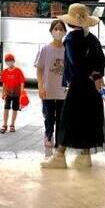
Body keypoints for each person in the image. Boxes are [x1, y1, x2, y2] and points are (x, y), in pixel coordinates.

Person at [42, 4, 105, 169]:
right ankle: (85, 156)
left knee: (67, 120)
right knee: (86, 120)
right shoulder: (92, 38)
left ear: (71, 22)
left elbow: (76, 64)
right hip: (92, 89)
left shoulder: (71, 39)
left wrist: (85, 75)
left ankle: (59, 156)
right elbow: (102, 61)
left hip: (78, 86)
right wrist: (96, 75)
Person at [35, 19, 67, 148]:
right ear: (51, 31)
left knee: (61, 117)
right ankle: (48, 136)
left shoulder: (67, 50)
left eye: (61, 29)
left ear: (65, 32)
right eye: (56, 29)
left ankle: (59, 139)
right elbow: (39, 69)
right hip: (48, 88)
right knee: (49, 116)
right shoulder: (45, 49)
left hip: (62, 90)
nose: (58, 31)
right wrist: (40, 86)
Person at [0, 54, 25, 133]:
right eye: (7, 61)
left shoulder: (18, 71)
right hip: (8, 93)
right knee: (6, 108)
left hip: (17, 94)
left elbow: (22, 82)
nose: (9, 62)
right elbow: (4, 83)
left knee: (15, 108)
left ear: (13, 61)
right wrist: (3, 93)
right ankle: (4, 124)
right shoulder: (5, 72)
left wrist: (22, 93)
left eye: (10, 61)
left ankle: (12, 125)